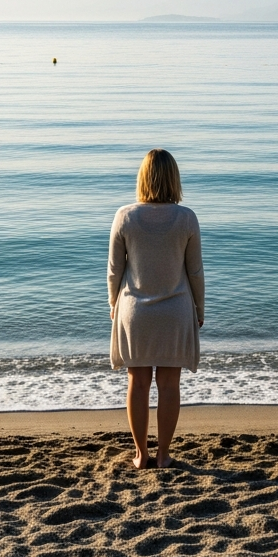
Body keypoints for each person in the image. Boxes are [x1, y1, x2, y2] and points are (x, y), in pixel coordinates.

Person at [108, 149, 204, 469]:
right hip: (175, 311)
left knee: (137, 383)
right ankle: (163, 455)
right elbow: (195, 271)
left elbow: (114, 270)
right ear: (174, 178)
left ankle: (141, 454)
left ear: (142, 178)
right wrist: (200, 307)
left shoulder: (124, 216)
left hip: (135, 312)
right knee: (169, 385)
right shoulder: (186, 218)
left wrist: (113, 305)